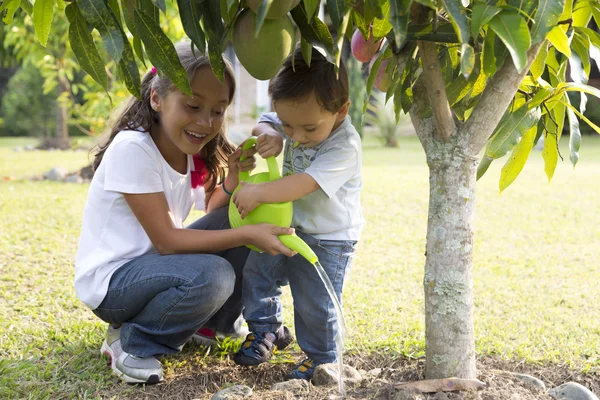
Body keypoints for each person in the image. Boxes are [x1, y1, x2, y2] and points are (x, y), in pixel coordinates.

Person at [74, 43, 295, 384]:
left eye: (218, 111)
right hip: (114, 284)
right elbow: (168, 241)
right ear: (157, 99)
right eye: (193, 106)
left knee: (242, 217)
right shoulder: (134, 149)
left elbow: (213, 215)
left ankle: (210, 325)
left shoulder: (190, 151)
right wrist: (250, 234)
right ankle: (133, 342)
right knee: (215, 273)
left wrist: (233, 182)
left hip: (159, 273)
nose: (206, 122)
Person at [231, 47, 364, 381]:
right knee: (258, 272)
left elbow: (303, 184)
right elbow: (262, 123)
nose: (298, 137)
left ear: (341, 110)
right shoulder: (295, 116)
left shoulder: (344, 146)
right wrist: (272, 133)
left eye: (308, 129)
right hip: (287, 226)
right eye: (289, 125)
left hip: (327, 239)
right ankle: (266, 330)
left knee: (314, 301)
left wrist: (258, 192)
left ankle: (322, 357)